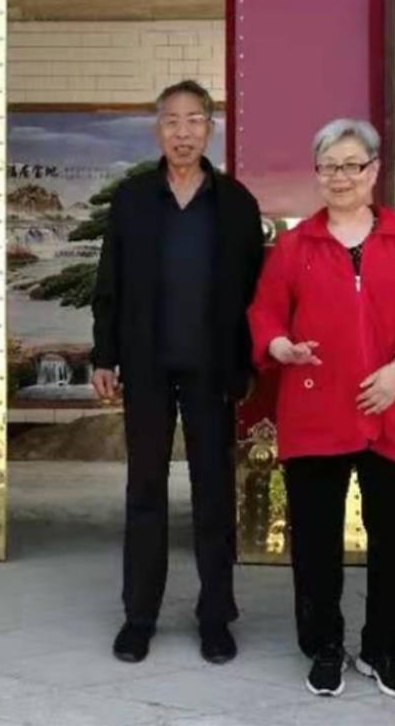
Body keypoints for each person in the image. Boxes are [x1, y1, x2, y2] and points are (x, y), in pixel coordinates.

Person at [248, 118, 395, 699]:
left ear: (374, 170)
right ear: (317, 174)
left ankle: (383, 650)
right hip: (316, 409)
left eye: (352, 165)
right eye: (329, 166)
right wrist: (279, 346)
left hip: (393, 409)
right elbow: (265, 312)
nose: (341, 176)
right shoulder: (295, 247)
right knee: (315, 542)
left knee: (393, 543)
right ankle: (324, 646)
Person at [92, 80, 264, 665]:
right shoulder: (134, 199)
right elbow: (109, 282)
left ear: (210, 128)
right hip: (146, 368)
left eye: (194, 121)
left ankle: (215, 616)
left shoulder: (236, 203)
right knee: (144, 491)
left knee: (213, 493)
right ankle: (139, 616)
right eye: (172, 121)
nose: (183, 133)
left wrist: (245, 364)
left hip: (211, 372)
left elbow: (255, 294)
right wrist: (104, 355)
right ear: (157, 129)